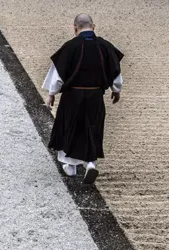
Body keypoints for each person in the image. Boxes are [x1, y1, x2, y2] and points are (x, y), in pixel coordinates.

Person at [43, 14, 124, 184]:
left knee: (70, 128)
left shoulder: (70, 47)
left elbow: (58, 76)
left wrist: (51, 94)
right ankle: (91, 163)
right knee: (92, 127)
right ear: (93, 26)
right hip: (95, 95)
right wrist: (116, 90)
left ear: (75, 28)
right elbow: (115, 72)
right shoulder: (105, 47)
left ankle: (70, 168)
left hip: (72, 96)